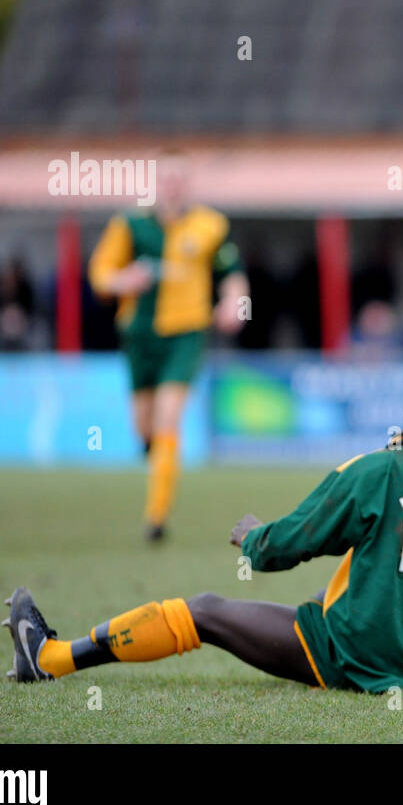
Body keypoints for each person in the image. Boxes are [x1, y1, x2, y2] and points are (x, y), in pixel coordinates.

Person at [2, 355, 403, 694]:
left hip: (350, 655)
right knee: (332, 591)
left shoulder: (370, 471)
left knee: (206, 611)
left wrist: (254, 538)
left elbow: (289, 545)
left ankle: (52, 658)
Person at [88, 150, 248, 541]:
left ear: (188, 184)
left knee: (168, 416)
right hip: (140, 335)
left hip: (187, 332)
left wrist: (236, 303)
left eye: (180, 179)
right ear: (155, 184)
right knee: (143, 425)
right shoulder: (129, 224)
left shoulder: (210, 225)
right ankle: (156, 458)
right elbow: (100, 276)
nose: (172, 186)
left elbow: (232, 274)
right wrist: (124, 280)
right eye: (166, 179)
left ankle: (156, 517)